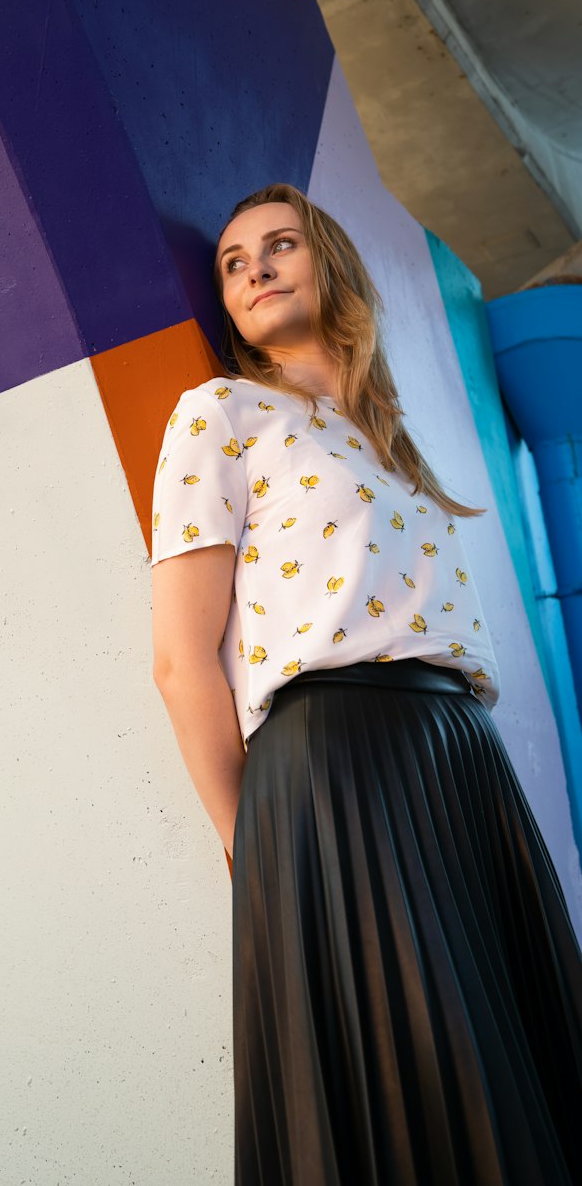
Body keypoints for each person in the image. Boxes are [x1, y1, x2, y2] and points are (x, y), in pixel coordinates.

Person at [150, 183, 582, 1185]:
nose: (253, 267)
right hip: (335, 764)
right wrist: (250, 843)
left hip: (458, 763)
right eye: (232, 260)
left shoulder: (393, 442)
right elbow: (180, 662)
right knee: (428, 1077)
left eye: (279, 244)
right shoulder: (222, 413)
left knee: (516, 1060)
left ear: (330, 261)